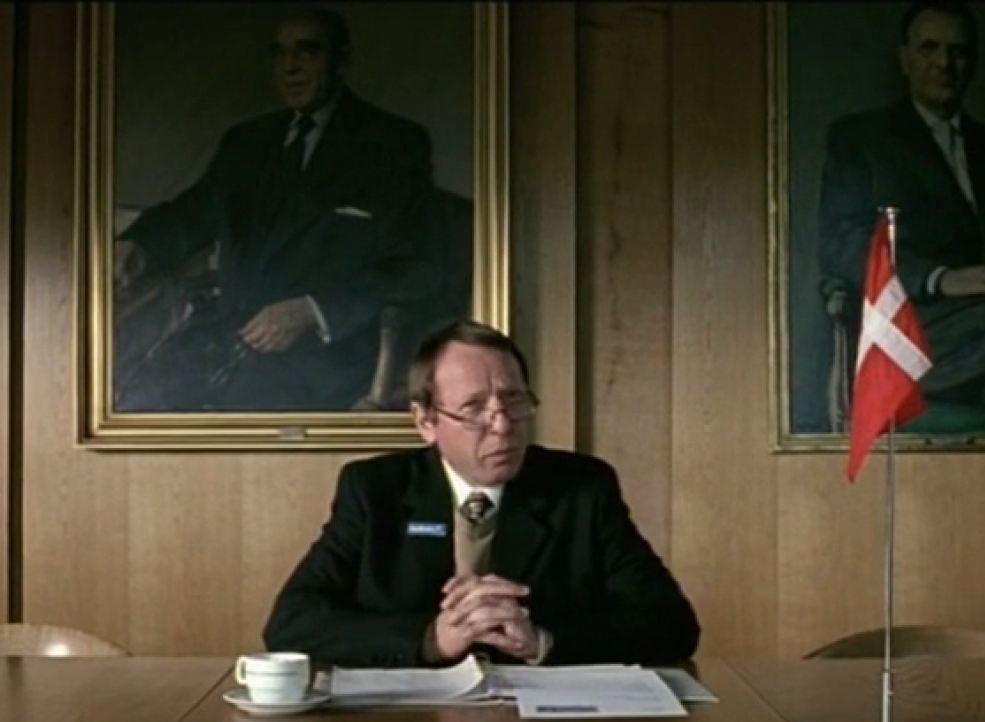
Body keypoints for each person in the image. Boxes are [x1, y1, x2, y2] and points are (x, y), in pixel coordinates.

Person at [263, 319, 701, 667]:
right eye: (474, 408)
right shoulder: (374, 490)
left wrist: (542, 641)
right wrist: (430, 639)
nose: (503, 425)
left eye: (515, 401)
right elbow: (292, 624)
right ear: (425, 422)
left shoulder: (582, 489)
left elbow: (672, 625)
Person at [114, 8, 433, 412]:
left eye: (307, 53)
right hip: (228, 341)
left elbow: (413, 267)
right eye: (280, 54)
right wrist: (139, 245)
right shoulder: (247, 142)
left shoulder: (392, 143)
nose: (290, 68)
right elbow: (194, 212)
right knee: (130, 403)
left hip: (324, 357)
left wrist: (312, 311)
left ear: (342, 59)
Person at [818, 0, 985, 430]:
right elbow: (842, 244)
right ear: (904, 60)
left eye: (958, 52)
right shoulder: (862, 139)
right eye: (930, 48)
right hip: (915, 330)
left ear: (973, 62)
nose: (944, 63)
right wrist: (941, 278)